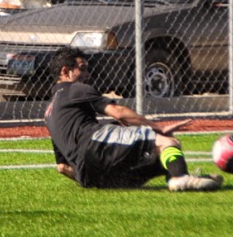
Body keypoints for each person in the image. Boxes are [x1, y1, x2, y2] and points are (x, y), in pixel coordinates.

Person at [43, 46, 222, 192]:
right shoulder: (75, 89)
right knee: (168, 142)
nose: (87, 75)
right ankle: (181, 178)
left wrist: (87, 179)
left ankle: (176, 175)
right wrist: (157, 127)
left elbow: (62, 167)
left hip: (89, 176)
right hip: (95, 146)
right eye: (82, 69)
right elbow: (118, 113)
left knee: (158, 158)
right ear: (65, 71)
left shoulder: (49, 112)